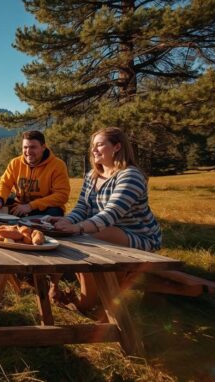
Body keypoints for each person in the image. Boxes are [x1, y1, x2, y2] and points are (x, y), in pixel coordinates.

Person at [49, 126, 162, 311]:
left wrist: (78, 228)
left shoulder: (130, 175)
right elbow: (82, 208)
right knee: (69, 236)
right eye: (93, 146)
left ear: (117, 147)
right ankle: (58, 285)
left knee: (83, 240)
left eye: (100, 145)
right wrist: (66, 221)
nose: (94, 150)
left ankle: (87, 301)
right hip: (102, 230)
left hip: (139, 236)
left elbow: (112, 213)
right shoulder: (92, 176)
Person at [0, 130, 71, 217]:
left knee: (55, 212)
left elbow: (62, 195)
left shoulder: (57, 165)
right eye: (25, 147)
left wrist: (31, 206)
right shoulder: (15, 163)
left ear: (43, 147)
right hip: (19, 206)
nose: (28, 151)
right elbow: (5, 184)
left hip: (44, 208)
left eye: (33, 147)